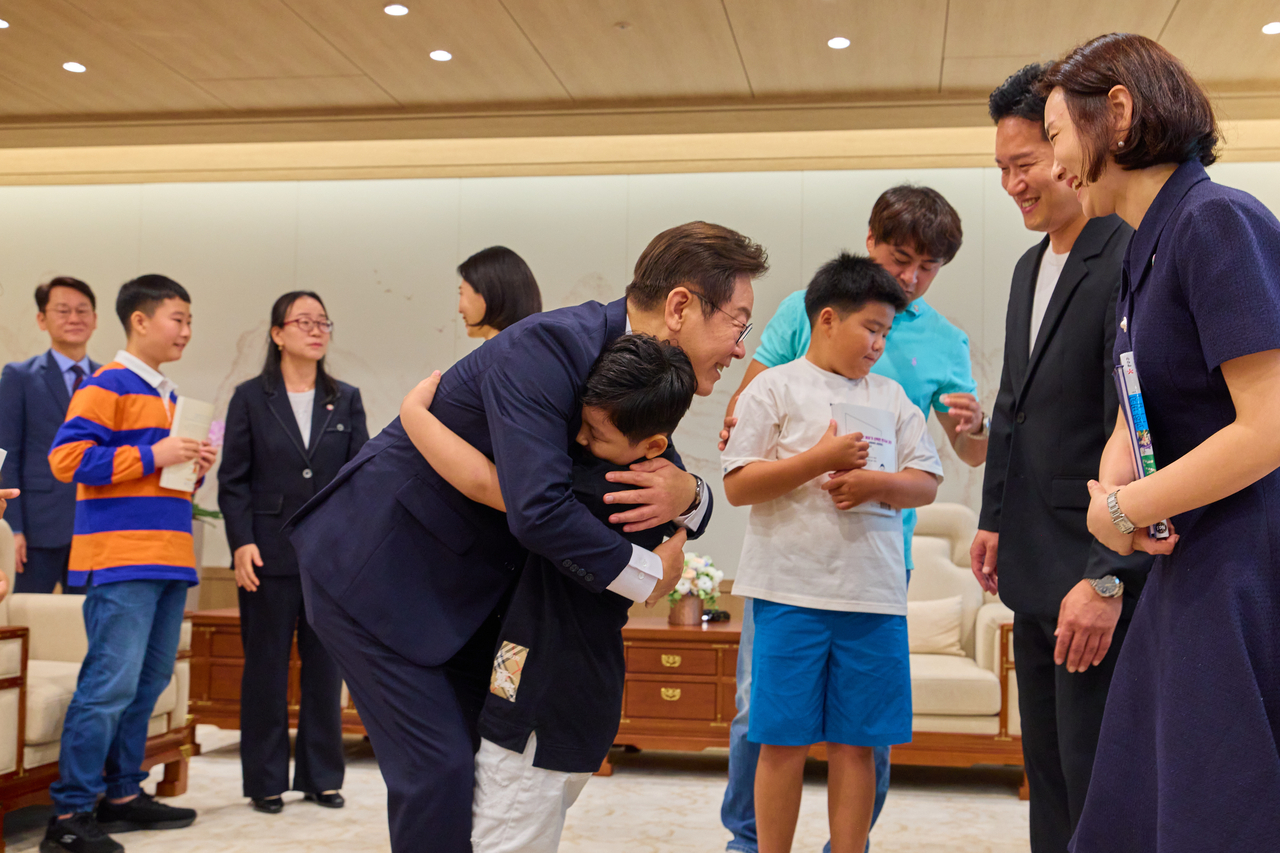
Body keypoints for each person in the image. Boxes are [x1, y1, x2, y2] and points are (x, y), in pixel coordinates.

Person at [289, 221, 767, 853]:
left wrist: (693, 498)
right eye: (737, 324)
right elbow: (538, 508)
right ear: (681, 306)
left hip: (465, 594)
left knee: (475, 772)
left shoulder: (640, 374)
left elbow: (663, 479)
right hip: (376, 571)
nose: (740, 348)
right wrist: (648, 573)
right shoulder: (546, 348)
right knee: (440, 772)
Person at [1040, 33, 1280, 852]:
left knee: (1216, 808)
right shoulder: (1143, 248)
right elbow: (1132, 407)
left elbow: (1270, 424)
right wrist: (1114, 496)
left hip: (1243, 562)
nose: (1052, 160)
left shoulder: (1218, 220)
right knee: (1143, 808)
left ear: (1117, 112)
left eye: (1056, 132)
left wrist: (1125, 507)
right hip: (1187, 564)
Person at [719, 185, 986, 853]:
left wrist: (974, 433)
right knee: (769, 724)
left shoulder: (924, 362)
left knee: (862, 735)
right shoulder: (789, 346)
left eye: (929, 268)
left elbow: (949, 463)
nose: (913, 279)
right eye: (903, 258)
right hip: (789, 581)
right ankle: (750, 843)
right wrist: (815, 456)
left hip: (873, 575)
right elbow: (742, 457)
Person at [398, 334, 697, 853]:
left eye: (594, 434)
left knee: (506, 839)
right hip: (565, 691)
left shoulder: (607, 491)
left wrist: (412, 414)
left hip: (544, 698)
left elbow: (481, 481)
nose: (578, 440)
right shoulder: (657, 484)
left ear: (652, 447)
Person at [974, 64, 1153, 853]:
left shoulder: (1128, 253)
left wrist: (1108, 575)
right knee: (1045, 773)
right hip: (1031, 565)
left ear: (1070, 145)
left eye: (1027, 161)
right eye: (1003, 169)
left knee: (1098, 782)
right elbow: (1013, 406)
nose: (1015, 183)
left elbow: (1146, 429)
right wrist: (989, 520)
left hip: (1094, 568)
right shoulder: (1027, 266)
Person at [43, 275, 217, 853]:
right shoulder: (106, 384)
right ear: (139, 321)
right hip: (121, 560)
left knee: (147, 685)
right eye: (178, 319)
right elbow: (66, 460)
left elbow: (155, 480)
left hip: (169, 557)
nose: (186, 332)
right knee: (108, 687)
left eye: (190, 321)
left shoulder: (169, 395)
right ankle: (68, 817)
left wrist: (191, 467)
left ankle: (122, 793)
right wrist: (154, 453)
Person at [217, 291, 369, 815]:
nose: (316, 329)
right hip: (265, 555)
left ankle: (322, 776)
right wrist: (241, 543)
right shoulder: (249, 397)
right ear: (278, 334)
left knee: (325, 669)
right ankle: (264, 781)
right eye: (303, 321)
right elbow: (232, 480)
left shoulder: (345, 398)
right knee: (265, 669)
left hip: (327, 561)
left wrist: (350, 550)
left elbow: (360, 481)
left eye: (323, 321)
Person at [0, 277, 101, 594]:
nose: (74, 318)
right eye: (63, 310)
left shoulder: (108, 379)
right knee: (29, 623)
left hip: (94, 528)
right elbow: (6, 453)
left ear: (95, 319)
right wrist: (11, 528)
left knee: (90, 625)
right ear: (42, 319)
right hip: (36, 529)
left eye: (82, 310)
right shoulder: (19, 376)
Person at [457, 246, 543, 340]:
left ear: (489, 294)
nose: (459, 309)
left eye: (462, 293)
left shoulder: (498, 353)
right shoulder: (537, 349)